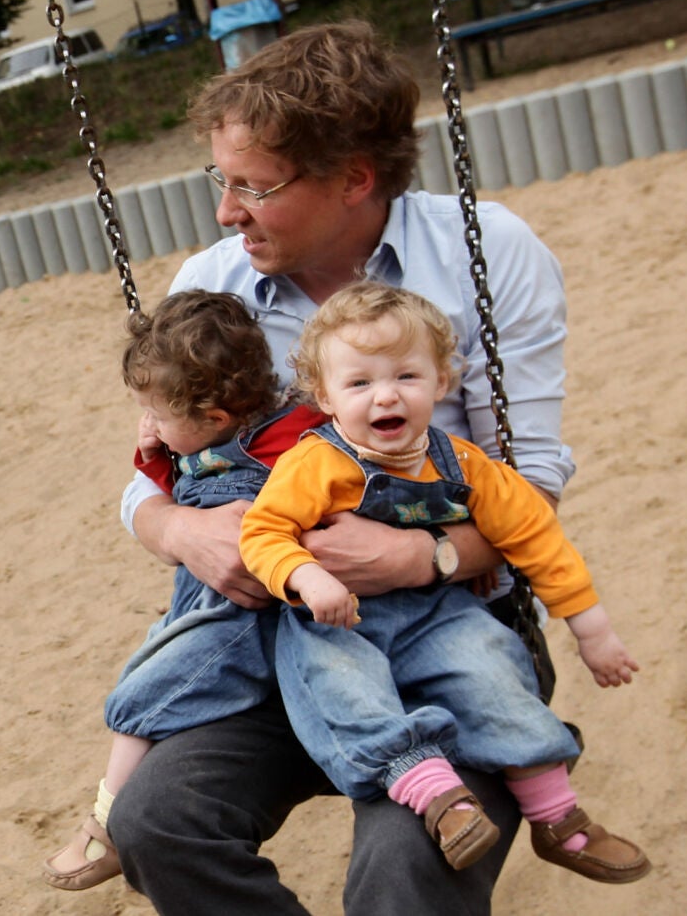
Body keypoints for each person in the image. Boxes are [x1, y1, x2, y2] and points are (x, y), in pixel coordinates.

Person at [108, 20, 574, 914]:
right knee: (157, 820)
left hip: (450, 632)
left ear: (355, 178)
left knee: (404, 869)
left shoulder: (485, 252)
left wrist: (423, 557)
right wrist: (185, 532)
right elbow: (150, 479)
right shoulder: (215, 285)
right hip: (277, 643)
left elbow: (533, 479)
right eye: (221, 180)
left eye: (255, 186)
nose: (227, 211)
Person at [242, 281, 648, 883]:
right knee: (339, 687)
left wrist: (593, 631)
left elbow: (536, 536)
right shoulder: (313, 464)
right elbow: (262, 532)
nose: (386, 395)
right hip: (338, 619)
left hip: (436, 612)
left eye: (406, 376)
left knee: (494, 668)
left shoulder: (464, 464)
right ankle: (438, 796)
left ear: (440, 382)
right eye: (359, 383)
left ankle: (556, 815)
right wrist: (305, 575)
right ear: (325, 397)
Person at [44, 290, 328, 891]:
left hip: (247, 619)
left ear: (216, 418)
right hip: (198, 606)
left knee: (137, 699)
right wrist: (155, 456)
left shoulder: (297, 440)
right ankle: (121, 813)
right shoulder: (207, 438)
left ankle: (106, 821)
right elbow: (180, 486)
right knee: (152, 667)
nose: (149, 425)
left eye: (157, 416)